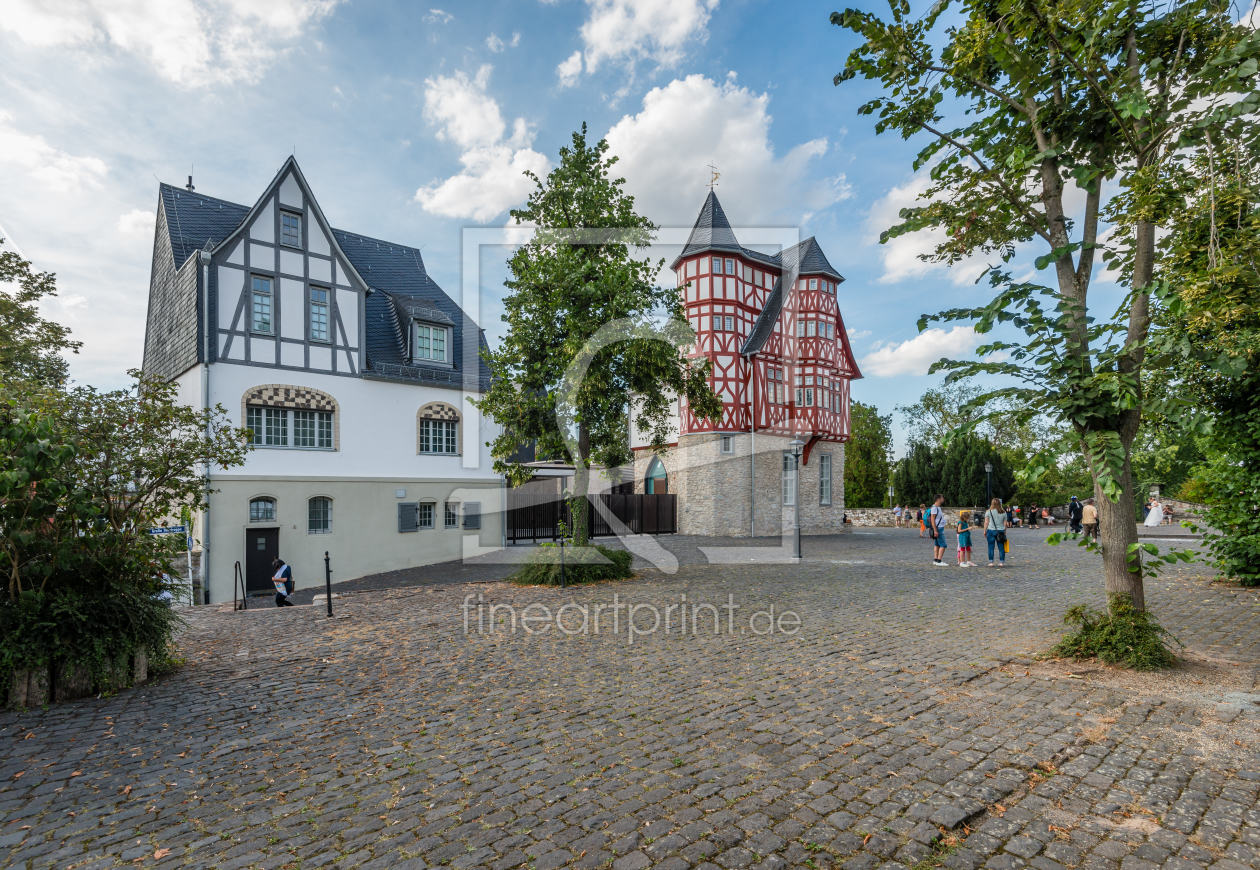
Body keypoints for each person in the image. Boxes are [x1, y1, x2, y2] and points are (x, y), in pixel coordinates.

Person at [983, 498, 1007, 567]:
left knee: (991, 547)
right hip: (1000, 530)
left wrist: (984, 530)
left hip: (990, 530)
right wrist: (1004, 532)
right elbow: (1005, 524)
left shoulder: (988, 512)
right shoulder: (1004, 512)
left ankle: (991, 562)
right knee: (1001, 547)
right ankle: (1001, 562)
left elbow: (986, 522)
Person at [929, 494, 949, 567]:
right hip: (938, 528)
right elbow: (932, 519)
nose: (943, 499)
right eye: (942, 498)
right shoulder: (934, 508)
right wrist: (935, 530)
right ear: (938, 499)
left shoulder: (938, 507)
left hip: (939, 527)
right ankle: (939, 560)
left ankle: (936, 559)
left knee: (937, 544)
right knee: (943, 544)